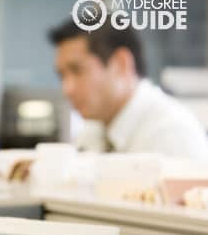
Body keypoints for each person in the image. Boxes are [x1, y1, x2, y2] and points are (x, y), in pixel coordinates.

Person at [49, 19, 207, 158]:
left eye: (77, 70)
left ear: (121, 63)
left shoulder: (171, 137)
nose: (67, 89)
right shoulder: (93, 131)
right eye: (62, 76)